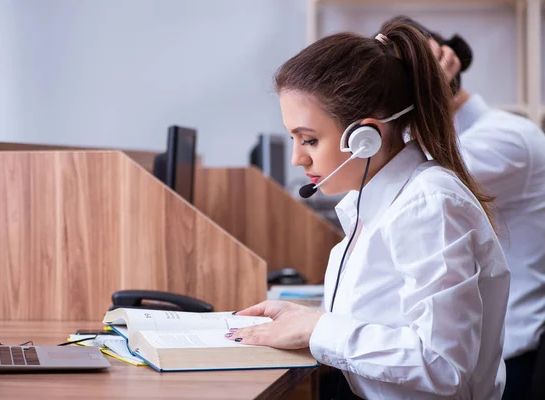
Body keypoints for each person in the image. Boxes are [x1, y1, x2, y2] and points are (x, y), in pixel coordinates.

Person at [224, 17, 510, 399]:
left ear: (366, 137)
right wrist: (307, 321)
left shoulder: (428, 206)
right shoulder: (374, 203)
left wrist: (317, 329)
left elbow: (443, 364)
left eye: (308, 140)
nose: (297, 159)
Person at [397, 17, 545, 400]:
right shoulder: (463, 137)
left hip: (511, 356)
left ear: (451, 63)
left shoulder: (507, 137)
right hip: (475, 351)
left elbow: (411, 178)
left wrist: (427, 96)